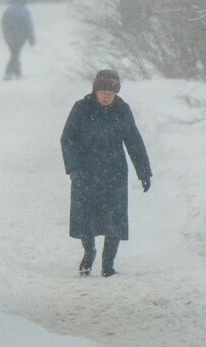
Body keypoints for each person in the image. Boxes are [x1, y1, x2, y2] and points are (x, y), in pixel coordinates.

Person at [59, 69, 152, 277]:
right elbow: (67, 139)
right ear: (95, 90)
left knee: (114, 220)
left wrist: (144, 172)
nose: (106, 96)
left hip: (114, 173)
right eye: (103, 92)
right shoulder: (81, 108)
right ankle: (89, 252)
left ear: (116, 93)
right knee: (86, 218)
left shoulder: (122, 110)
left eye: (110, 93)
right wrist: (73, 169)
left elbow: (134, 141)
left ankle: (108, 265)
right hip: (85, 172)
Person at [0, 0, 36, 80]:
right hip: (20, 36)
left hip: (9, 36)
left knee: (15, 53)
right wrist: (32, 39)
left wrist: (6, 34)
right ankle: (8, 73)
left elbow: (3, 23)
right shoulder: (24, 11)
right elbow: (29, 25)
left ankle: (17, 72)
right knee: (15, 54)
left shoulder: (8, 9)